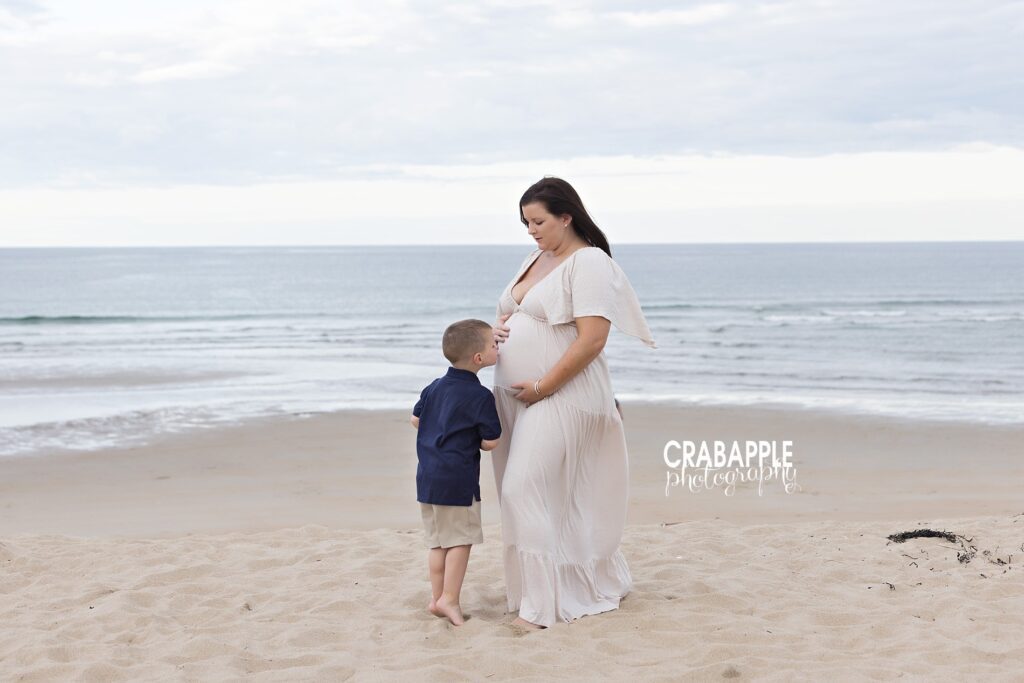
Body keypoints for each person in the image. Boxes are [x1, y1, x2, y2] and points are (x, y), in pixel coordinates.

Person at [490, 177, 655, 629]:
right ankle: (536, 590)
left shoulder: (590, 263)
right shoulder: (535, 258)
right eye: (525, 223)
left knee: (522, 488)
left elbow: (592, 339)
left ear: (566, 217)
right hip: (518, 396)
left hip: (562, 393)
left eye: (538, 222)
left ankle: (542, 607)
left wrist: (543, 386)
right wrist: (496, 329)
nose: (531, 231)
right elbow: (514, 312)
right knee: (534, 495)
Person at [411, 318, 502, 626]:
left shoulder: (434, 387)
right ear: (478, 358)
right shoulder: (480, 396)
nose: (498, 347)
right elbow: (491, 441)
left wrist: (441, 429)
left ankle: (437, 598)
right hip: (458, 482)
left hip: (427, 478)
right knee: (460, 541)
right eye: (494, 344)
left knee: (437, 542)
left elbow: (415, 420)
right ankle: (449, 599)